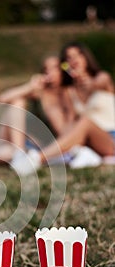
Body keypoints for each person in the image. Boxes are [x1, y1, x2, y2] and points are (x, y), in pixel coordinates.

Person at [12, 42, 115, 175]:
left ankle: (37, 159)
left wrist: (85, 80)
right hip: (89, 141)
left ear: (86, 58)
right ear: (65, 65)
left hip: (110, 137)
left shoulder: (101, 77)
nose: (74, 60)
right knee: (78, 126)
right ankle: (48, 155)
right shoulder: (70, 91)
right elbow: (70, 121)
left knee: (85, 121)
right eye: (69, 58)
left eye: (78, 55)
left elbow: (95, 84)